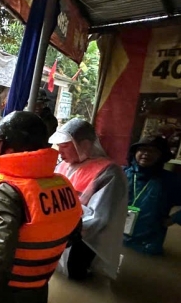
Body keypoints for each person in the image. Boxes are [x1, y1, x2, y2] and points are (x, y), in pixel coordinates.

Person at [0, 112, 82, 303]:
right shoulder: (61, 184)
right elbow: (73, 235)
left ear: (9, 150)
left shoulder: (8, 191)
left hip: (2, 300)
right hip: (37, 295)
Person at [50, 118, 128, 281]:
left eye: (65, 146)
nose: (59, 152)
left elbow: (98, 217)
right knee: (56, 272)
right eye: (58, 146)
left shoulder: (108, 171)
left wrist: (68, 232)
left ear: (84, 145)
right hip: (58, 232)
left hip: (83, 238)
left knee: (75, 275)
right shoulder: (63, 165)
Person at [123, 135, 181, 255]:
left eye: (152, 151)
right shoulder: (121, 174)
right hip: (114, 238)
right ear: (134, 152)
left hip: (147, 245)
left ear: (161, 156)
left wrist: (174, 219)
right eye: (142, 149)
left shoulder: (171, 181)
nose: (146, 153)